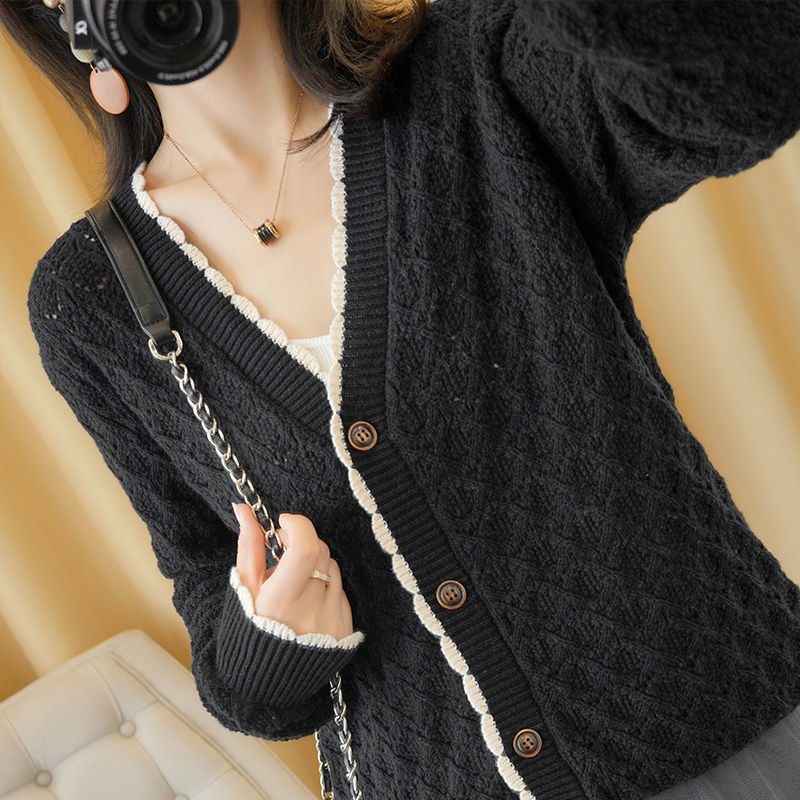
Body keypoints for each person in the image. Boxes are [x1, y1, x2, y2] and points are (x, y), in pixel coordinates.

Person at [2, 0, 800, 798]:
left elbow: (745, 92)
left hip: (722, 736)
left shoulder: (475, 74)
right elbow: (208, 588)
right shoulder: (90, 301)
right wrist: (270, 640)